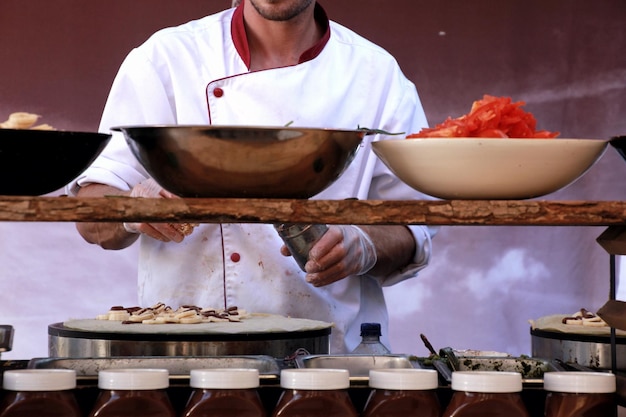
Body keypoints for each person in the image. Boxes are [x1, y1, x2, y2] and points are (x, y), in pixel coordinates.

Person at [71, 0, 437, 353]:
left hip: (330, 355)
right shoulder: (166, 59)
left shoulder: (375, 75)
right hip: (187, 346)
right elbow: (91, 213)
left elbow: (415, 223)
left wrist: (365, 246)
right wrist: (132, 209)